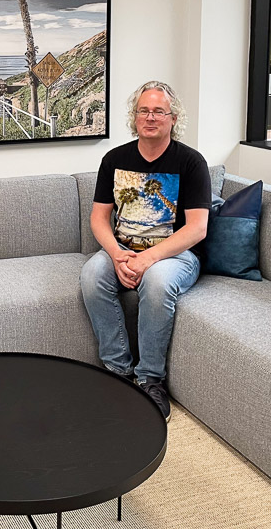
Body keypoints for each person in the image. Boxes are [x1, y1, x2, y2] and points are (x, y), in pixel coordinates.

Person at [80, 80, 211, 422]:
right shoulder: (114, 159)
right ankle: (118, 370)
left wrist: (148, 259)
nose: (150, 117)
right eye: (143, 111)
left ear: (172, 118)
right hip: (123, 247)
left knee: (156, 283)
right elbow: (98, 218)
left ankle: (151, 379)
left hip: (174, 255)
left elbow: (197, 228)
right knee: (92, 276)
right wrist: (116, 253)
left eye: (158, 111)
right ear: (134, 117)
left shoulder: (191, 162)